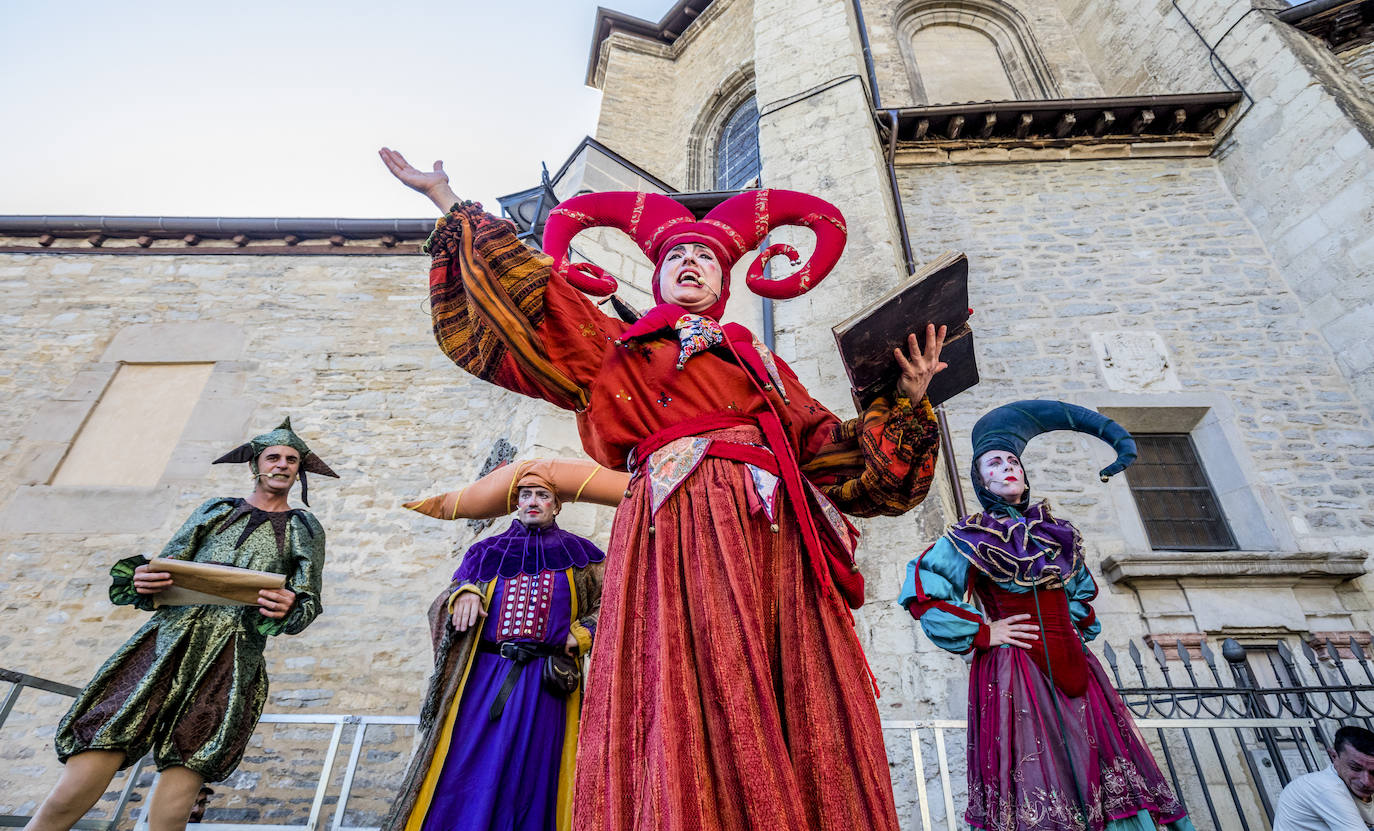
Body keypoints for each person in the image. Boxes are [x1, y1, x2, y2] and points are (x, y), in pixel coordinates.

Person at [380, 148, 946, 831]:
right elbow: (537, 300)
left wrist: (909, 400)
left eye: (705, 258)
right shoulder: (616, 346)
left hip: (772, 534)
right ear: (656, 278)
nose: (689, 263)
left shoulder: (763, 362)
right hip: (675, 527)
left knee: (789, 681)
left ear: (723, 281)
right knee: (687, 677)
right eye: (675, 256)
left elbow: (835, 458)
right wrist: (447, 198)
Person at [25, 418, 335, 831]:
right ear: (255, 464)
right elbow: (163, 568)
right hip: (166, 641)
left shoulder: (304, 527)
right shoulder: (215, 510)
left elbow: (307, 599)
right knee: (104, 738)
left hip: (231, 655)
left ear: (300, 470)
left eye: (291, 460)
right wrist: (144, 579)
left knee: (187, 766)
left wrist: (289, 605)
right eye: (273, 457)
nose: (282, 465)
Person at [899, 400, 1193, 831]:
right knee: (1039, 767)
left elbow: (1080, 597)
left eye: (1013, 461)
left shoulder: (1057, 535)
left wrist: (1068, 627)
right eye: (994, 463)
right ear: (980, 481)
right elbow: (926, 591)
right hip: (1015, 668)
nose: (1007, 468)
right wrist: (985, 630)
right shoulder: (969, 538)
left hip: (1076, 665)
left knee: (1099, 761)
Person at [383, 459, 620, 831]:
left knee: (539, 767)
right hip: (485, 678)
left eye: (543, 495)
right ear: (515, 502)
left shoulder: (584, 556)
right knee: (469, 762)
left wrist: (585, 632)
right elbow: (449, 596)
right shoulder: (484, 552)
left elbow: (614, 603)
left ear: (557, 505)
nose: (533, 502)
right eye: (525, 495)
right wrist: (462, 594)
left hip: (549, 682)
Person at [1273, 725, 1374, 831]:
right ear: (1334, 757)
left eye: (1373, 772)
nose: (1366, 781)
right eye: (1355, 768)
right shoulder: (1325, 788)